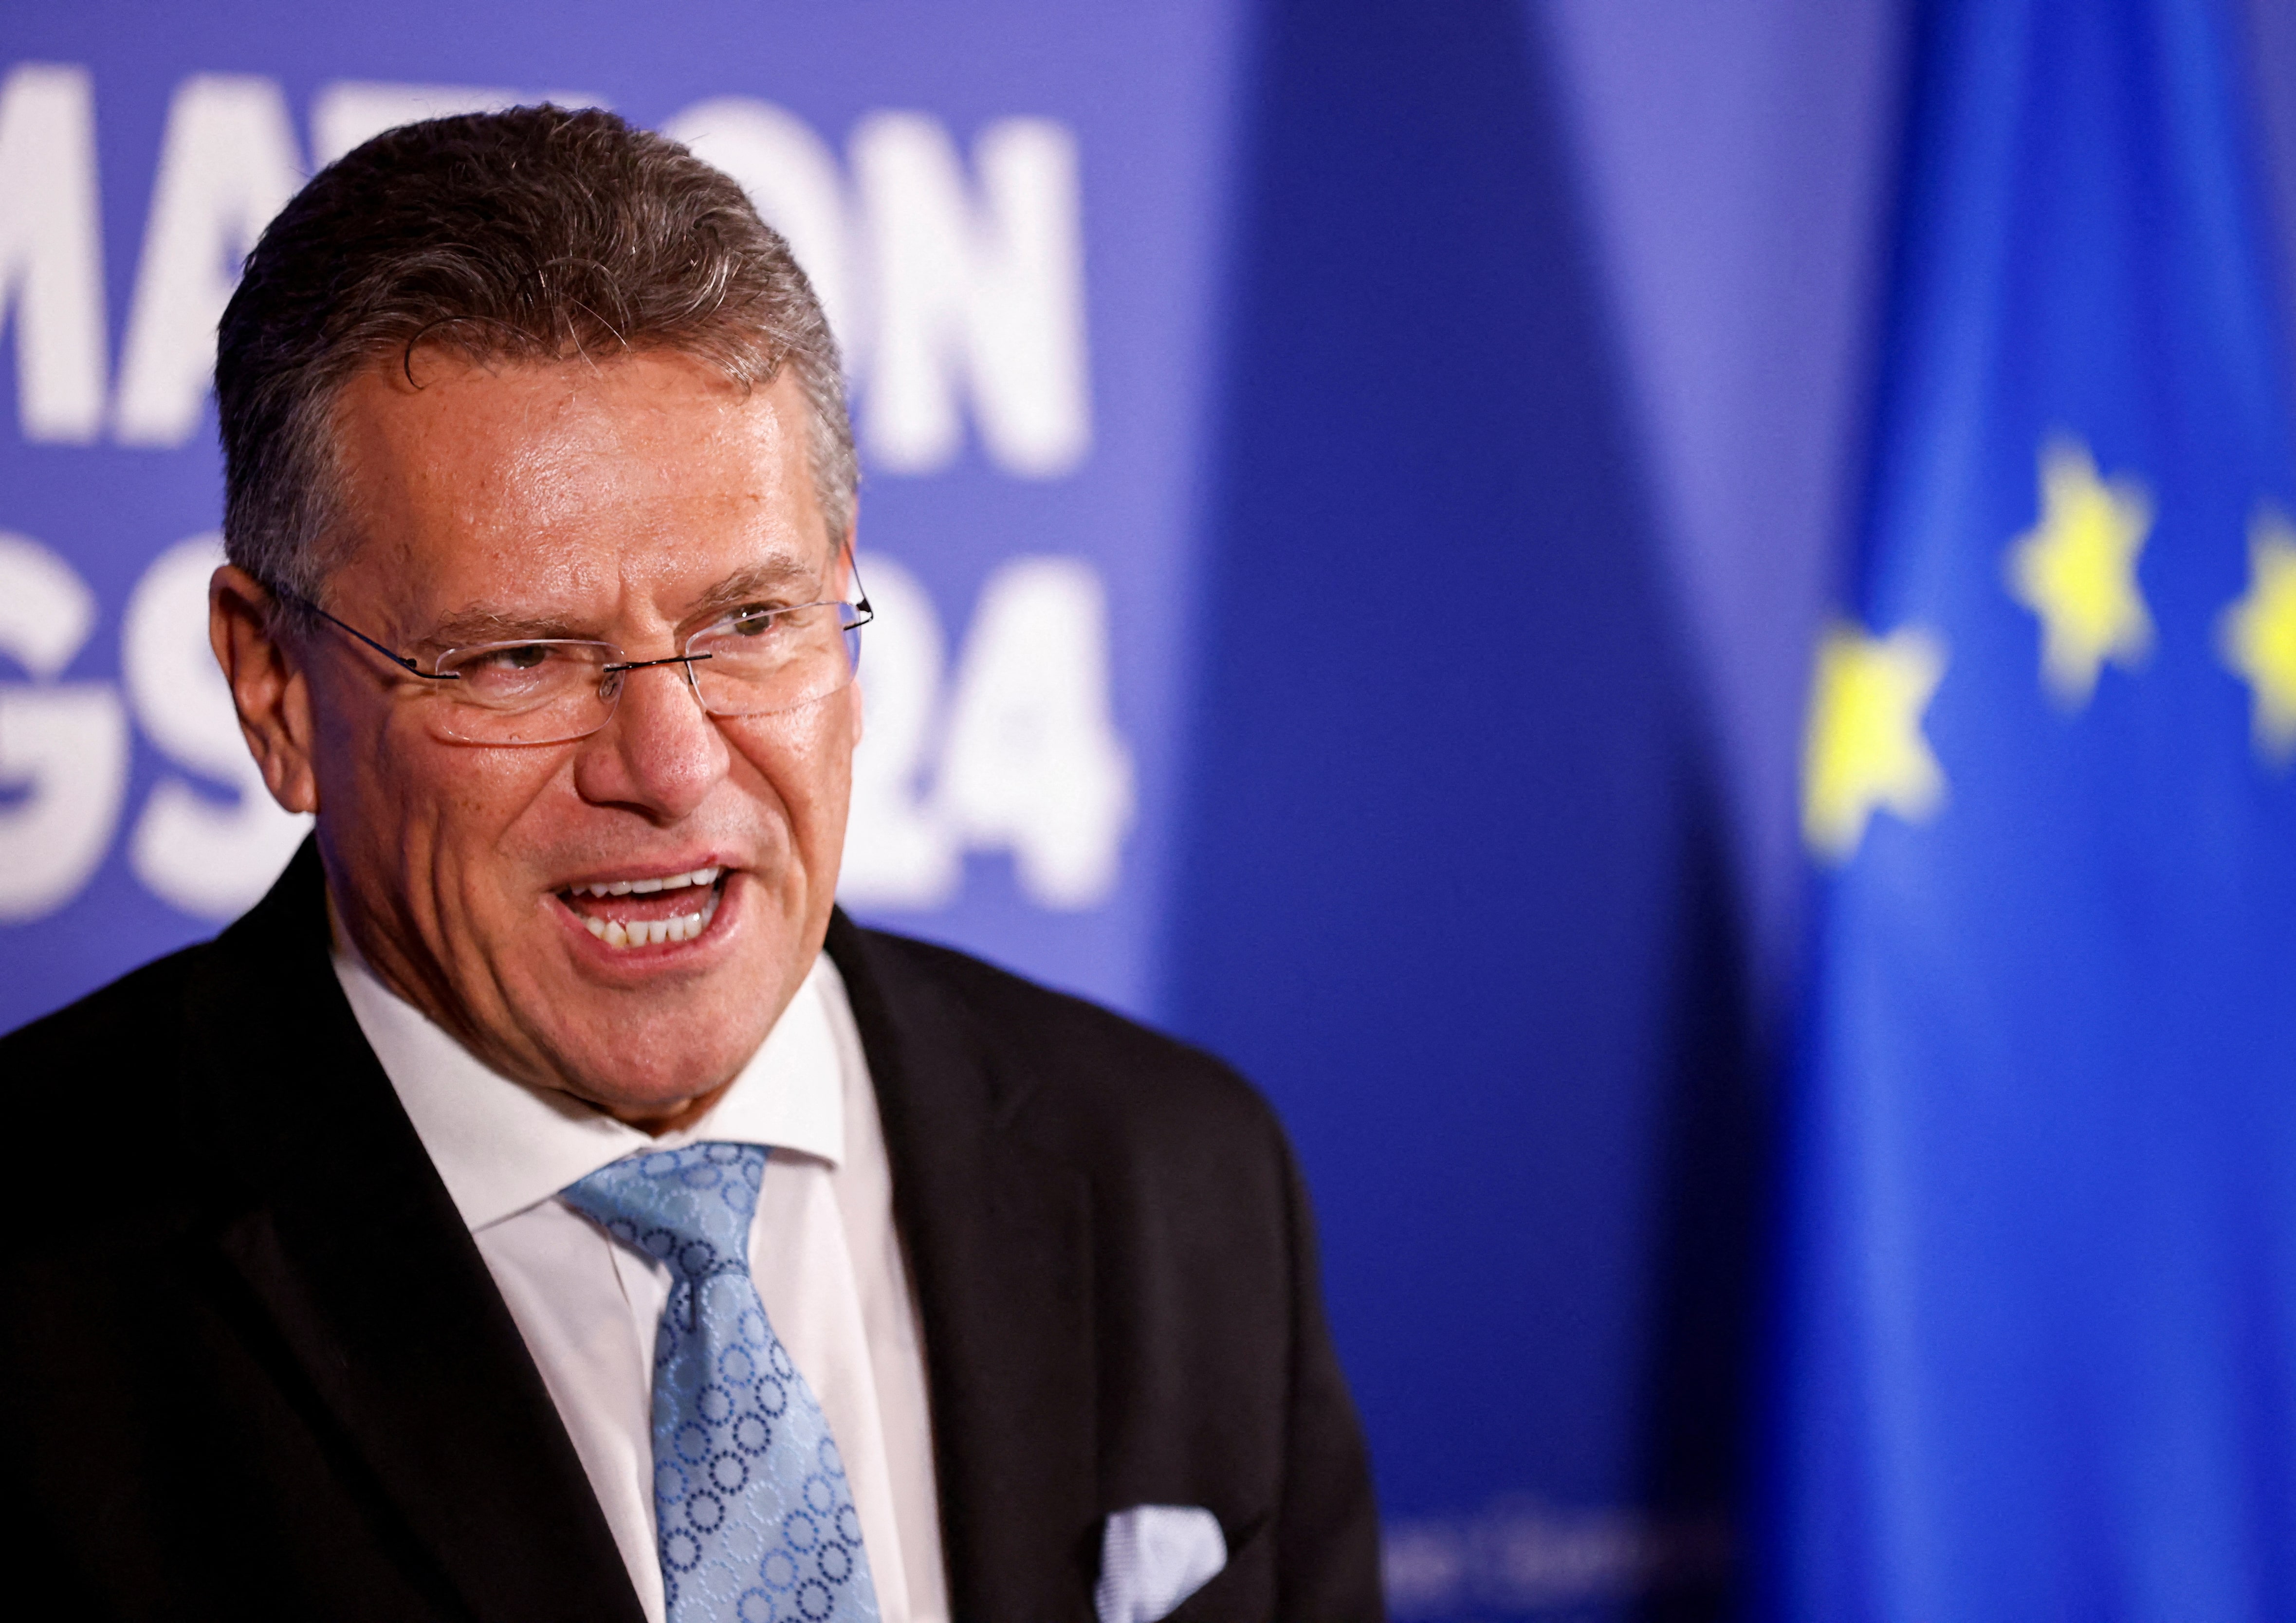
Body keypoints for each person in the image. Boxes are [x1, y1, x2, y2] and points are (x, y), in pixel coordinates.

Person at [0, 106, 1380, 1623]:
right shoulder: (42, 1296)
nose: (669, 767)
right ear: (274, 688)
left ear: (843, 600)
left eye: (748, 623)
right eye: (520, 657)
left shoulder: (1178, 1176)